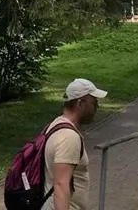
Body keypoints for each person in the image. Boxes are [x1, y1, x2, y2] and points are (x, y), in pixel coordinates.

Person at [42, 78, 108, 210]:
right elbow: (61, 184)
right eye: (94, 102)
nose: (97, 107)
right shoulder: (69, 137)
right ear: (80, 103)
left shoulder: (55, 124)